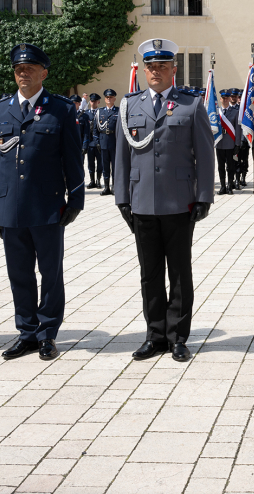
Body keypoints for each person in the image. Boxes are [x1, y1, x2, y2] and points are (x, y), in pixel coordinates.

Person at [0, 43, 84, 362]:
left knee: (50, 274)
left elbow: (73, 159)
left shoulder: (62, 109)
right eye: (18, 69)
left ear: (44, 73)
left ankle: (47, 334)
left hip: (48, 206)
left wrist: (76, 199)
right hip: (10, 208)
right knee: (19, 274)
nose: (23, 73)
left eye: (29, 69)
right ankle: (26, 332)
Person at [115, 39, 214, 362]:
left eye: (162, 67)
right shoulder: (130, 105)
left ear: (174, 70)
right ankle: (154, 334)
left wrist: (203, 196)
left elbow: (204, 153)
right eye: (151, 67)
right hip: (141, 202)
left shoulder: (190, 105)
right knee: (150, 273)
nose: (156, 72)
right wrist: (122, 198)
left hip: (179, 202)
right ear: (144, 70)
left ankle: (178, 337)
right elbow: (122, 157)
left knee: (180, 272)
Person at [93, 88, 119, 195]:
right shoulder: (100, 112)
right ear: (105, 99)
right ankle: (106, 187)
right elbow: (95, 129)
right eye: (107, 97)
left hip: (114, 142)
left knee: (115, 167)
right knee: (105, 166)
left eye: (111, 97)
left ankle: (114, 187)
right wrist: (97, 142)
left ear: (114, 98)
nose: (109, 99)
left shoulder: (118, 111)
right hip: (103, 142)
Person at [216, 89, 241, 195]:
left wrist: (237, 144)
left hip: (230, 143)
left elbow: (238, 129)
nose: (225, 100)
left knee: (230, 167)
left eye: (227, 98)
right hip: (219, 143)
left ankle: (230, 186)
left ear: (229, 99)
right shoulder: (217, 112)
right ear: (220, 99)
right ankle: (222, 187)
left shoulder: (235, 112)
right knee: (221, 167)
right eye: (223, 98)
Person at [85, 93, 102, 189]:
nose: (93, 103)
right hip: (90, 142)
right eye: (91, 101)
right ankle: (92, 181)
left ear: (98, 102)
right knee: (90, 163)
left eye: (95, 101)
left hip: (99, 141)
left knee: (100, 162)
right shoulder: (86, 113)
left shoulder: (101, 112)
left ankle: (98, 180)